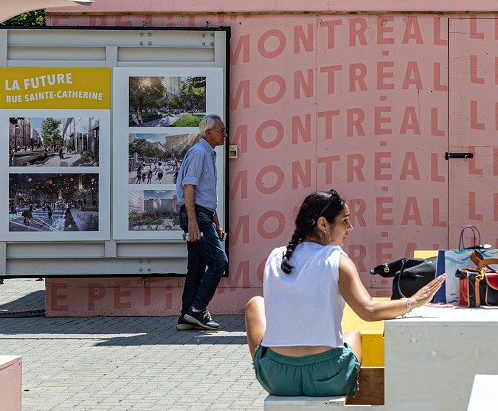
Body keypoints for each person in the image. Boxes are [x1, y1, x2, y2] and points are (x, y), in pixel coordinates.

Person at [243, 190, 444, 398]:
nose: (350, 227)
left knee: (255, 304)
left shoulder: (275, 257)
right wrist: (413, 302)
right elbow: (368, 310)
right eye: (345, 221)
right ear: (323, 224)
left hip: (277, 378)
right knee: (354, 336)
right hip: (327, 377)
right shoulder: (337, 259)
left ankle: (273, 360)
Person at [176, 114, 228, 331]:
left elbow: (205, 194)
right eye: (221, 131)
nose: (225, 134)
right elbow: (189, 188)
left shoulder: (208, 153)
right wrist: (193, 222)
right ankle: (197, 310)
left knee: (197, 268)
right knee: (219, 262)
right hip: (196, 216)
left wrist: (215, 221)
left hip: (202, 214)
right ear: (209, 133)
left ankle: (187, 314)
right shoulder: (199, 153)